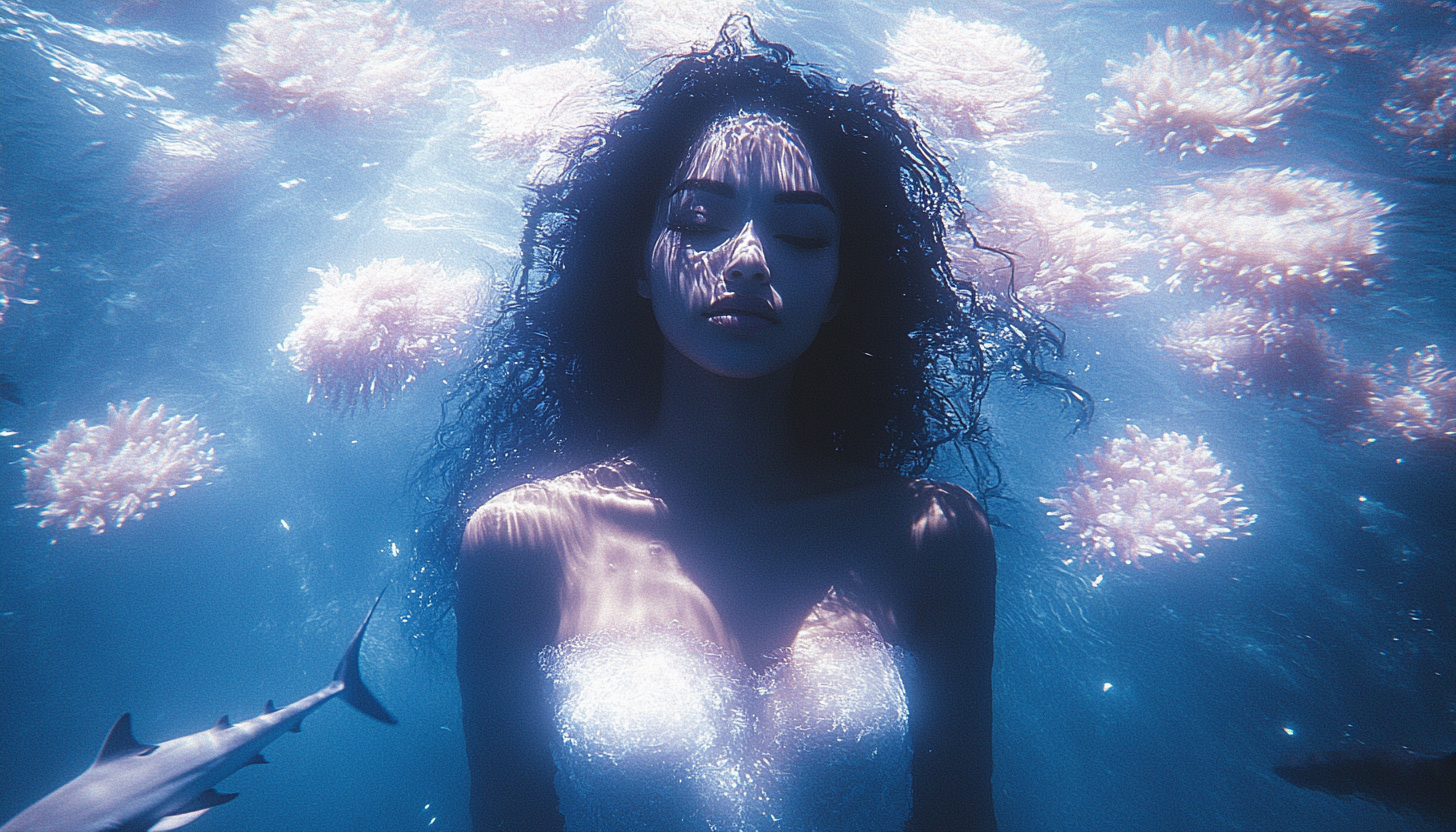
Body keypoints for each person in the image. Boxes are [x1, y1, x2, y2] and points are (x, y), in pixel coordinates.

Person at [437, 16, 1000, 831]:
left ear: (842, 289)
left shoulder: (932, 534)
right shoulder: (523, 538)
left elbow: (962, 820)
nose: (745, 258)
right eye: (699, 219)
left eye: (802, 233)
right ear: (635, 262)